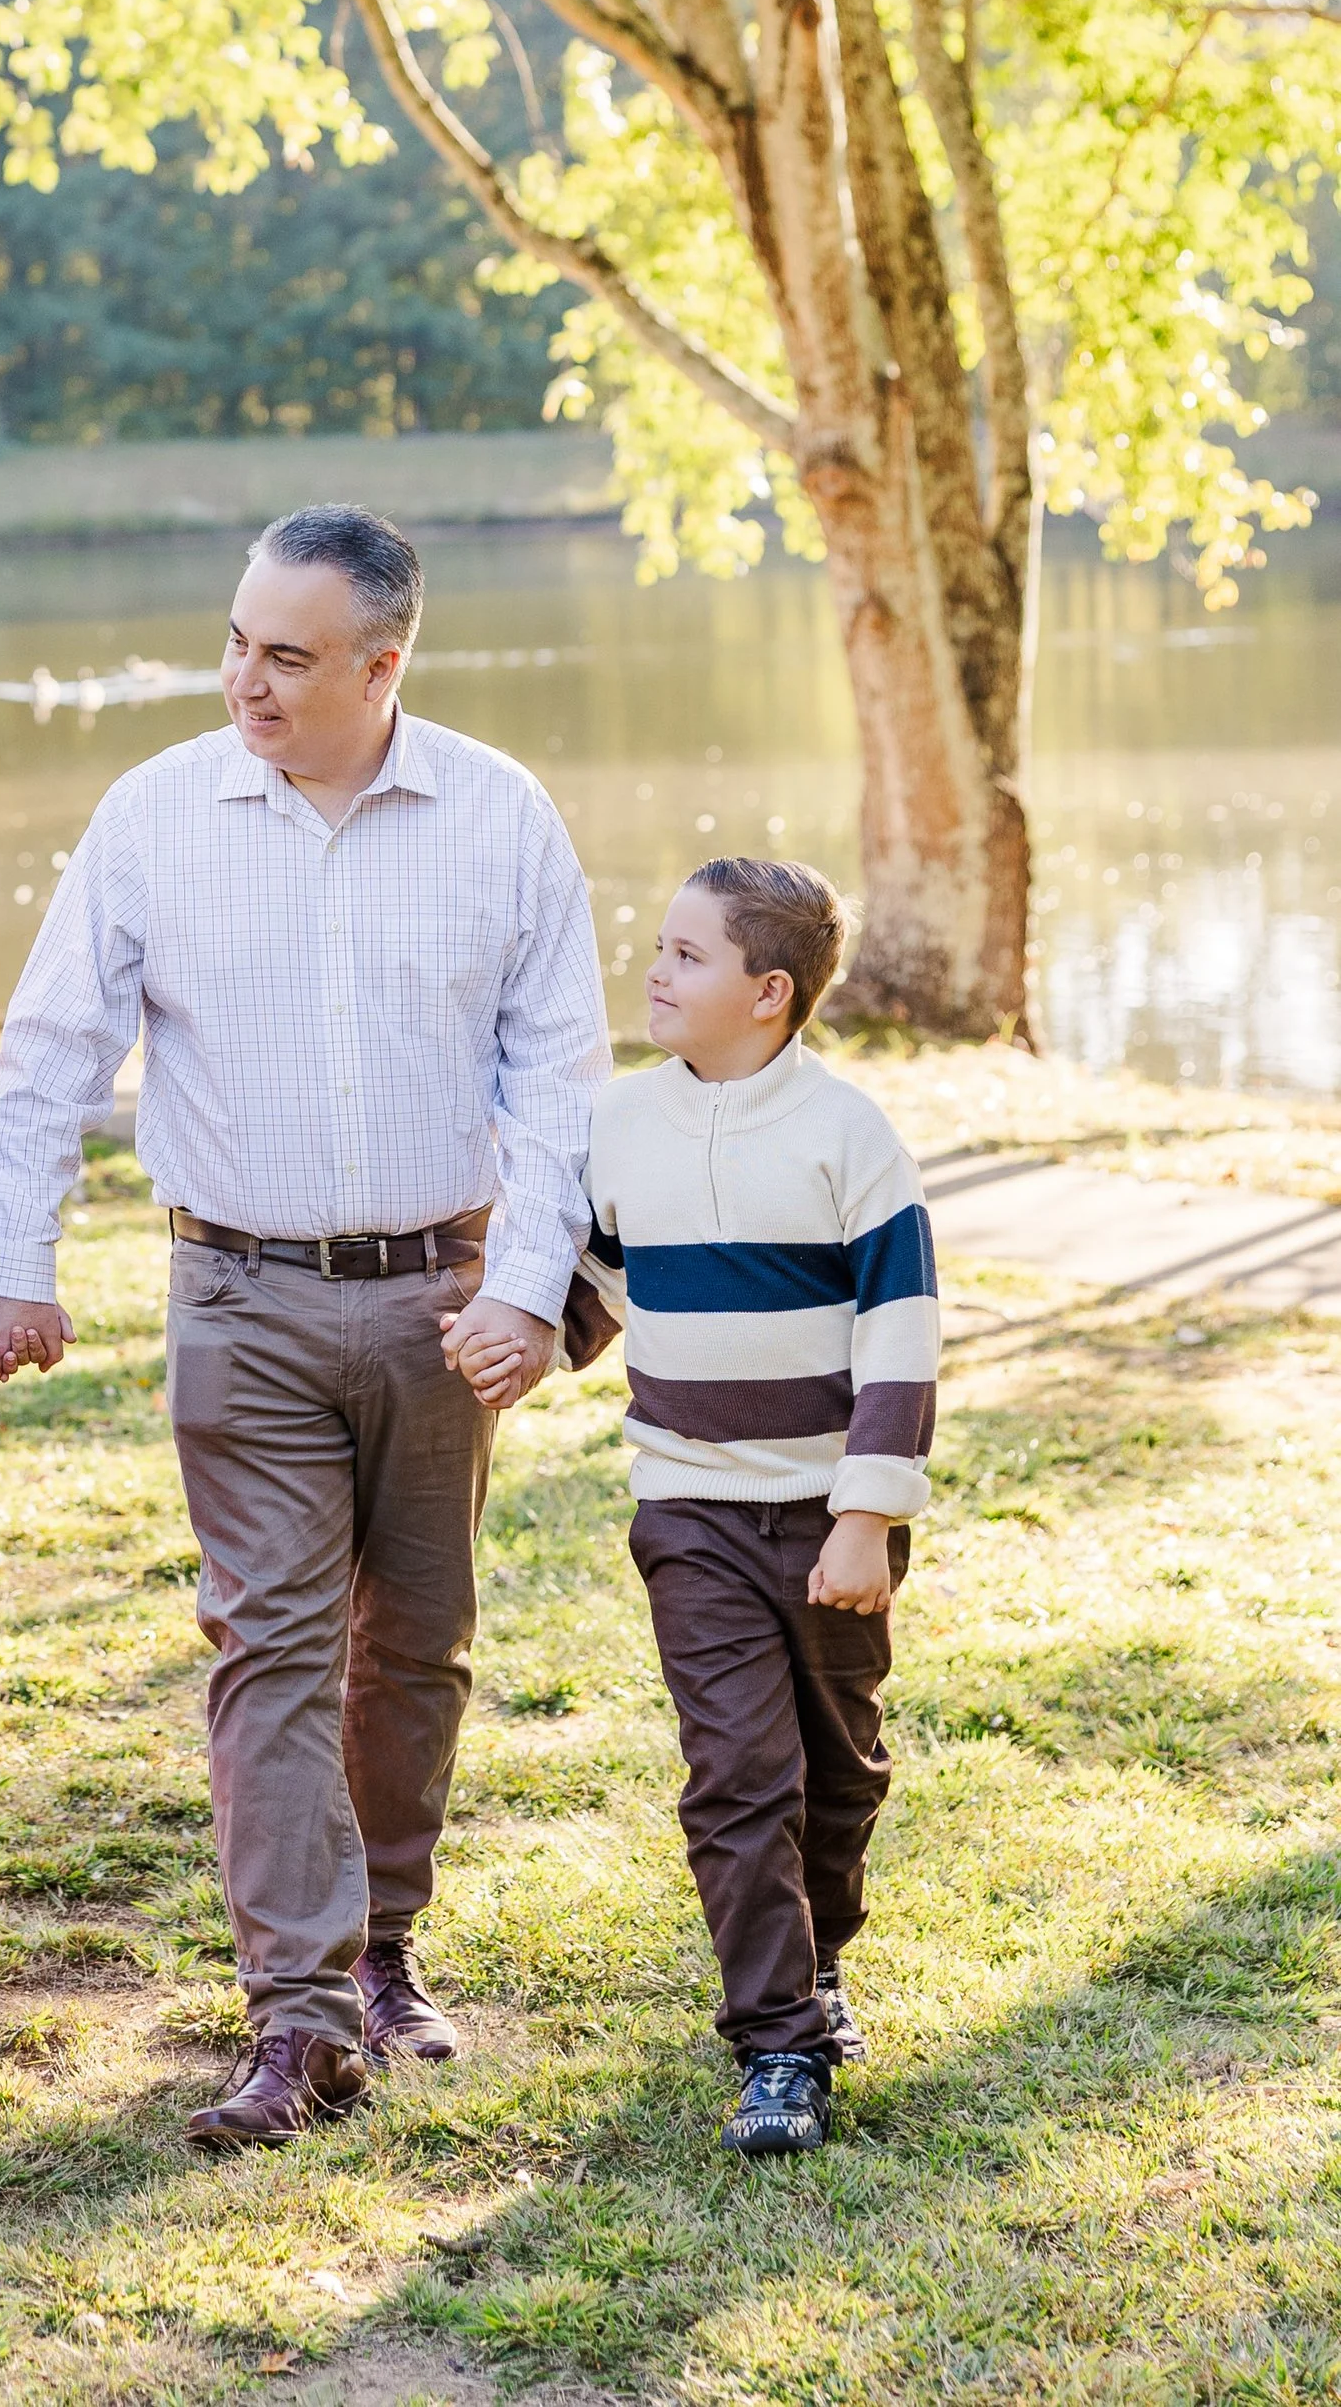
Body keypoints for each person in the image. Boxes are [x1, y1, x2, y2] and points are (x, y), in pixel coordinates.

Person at [0, 506, 609, 2150]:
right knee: (266, 1644)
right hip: (235, 1293)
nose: (244, 677)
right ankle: (301, 2022)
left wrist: (532, 1289)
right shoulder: (155, 814)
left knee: (418, 1647)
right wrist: (12, 1258)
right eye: (238, 640)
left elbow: (560, 1082)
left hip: (444, 1297)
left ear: (383, 667)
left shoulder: (501, 816)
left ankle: (384, 1950)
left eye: (288, 657)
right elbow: (50, 1050)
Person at [571, 857, 939, 2160]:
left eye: (686, 954)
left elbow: (901, 1335)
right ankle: (778, 2037)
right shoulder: (621, 1122)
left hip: (827, 1514)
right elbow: (603, 1280)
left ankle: (816, 1955)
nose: (654, 971)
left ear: (768, 992)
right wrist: (513, 1343)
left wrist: (866, 1513)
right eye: (658, 945)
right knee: (739, 1772)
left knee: (839, 1772)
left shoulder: (847, 1136)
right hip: (692, 1508)